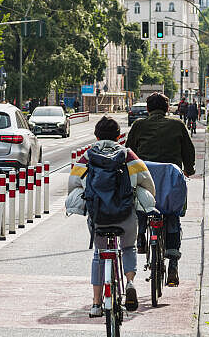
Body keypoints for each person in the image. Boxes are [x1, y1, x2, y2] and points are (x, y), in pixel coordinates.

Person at [68, 117, 156, 317]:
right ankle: (130, 282)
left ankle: (96, 304)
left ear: (96, 136)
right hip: (125, 215)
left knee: (99, 254)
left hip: (98, 217)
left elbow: (73, 183)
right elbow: (147, 182)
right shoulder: (128, 156)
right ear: (119, 136)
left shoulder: (87, 157)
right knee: (128, 247)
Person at [125, 92, 196, 287]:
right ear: (167, 109)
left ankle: (140, 237)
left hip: (146, 180)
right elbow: (188, 151)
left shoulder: (139, 125)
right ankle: (172, 263)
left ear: (148, 109)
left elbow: (129, 151)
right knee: (172, 215)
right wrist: (188, 170)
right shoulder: (177, 125)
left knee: (141, 204)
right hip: (170, 180)